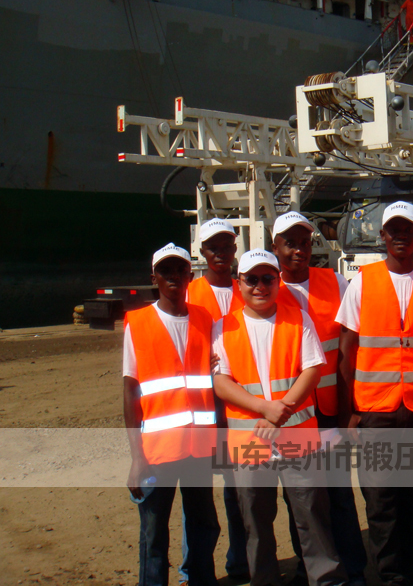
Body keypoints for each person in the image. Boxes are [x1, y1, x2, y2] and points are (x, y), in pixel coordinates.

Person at [212, 249, 347, 586]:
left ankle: (326, 580)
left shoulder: (298, 318)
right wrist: (264, 409)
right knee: (256, 525)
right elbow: (221, 382)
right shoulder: (222, 328)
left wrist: (279, 411)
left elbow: (313, 370)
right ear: (239, 283)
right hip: (249, 444)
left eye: (268, 278)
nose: (260, 286)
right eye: (252, 279)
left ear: (277, 280)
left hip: (297, 441)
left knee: (312, 519)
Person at [337, 201, 413, 586]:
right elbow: (347, 351)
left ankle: (408, 566)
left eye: (407, 230)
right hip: (376, 412)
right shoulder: (363, 281)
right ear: (382, 236)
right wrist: (351, 410)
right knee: (381, 499)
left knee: (412, 496)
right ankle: (392, 575)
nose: (400, 236)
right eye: (393, 230)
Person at [272, 211, 368, 586]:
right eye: (290, 243)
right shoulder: (265, 287)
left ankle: (353, 568)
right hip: (293, 417)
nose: (299, 250)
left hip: (330, 412)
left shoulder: (335, 282)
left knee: (339, 493)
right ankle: (309, 566)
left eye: (305, 242)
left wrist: (351, 411)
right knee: (301, 499)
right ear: (275, 246)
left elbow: (349, 351)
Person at [123, 242, 220, 586]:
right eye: (166, 271)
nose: (173, 276)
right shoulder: (138, 323)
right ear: (155, 277)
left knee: (203, 526)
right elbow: (130, 395)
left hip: (197, 449)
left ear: (189, 275)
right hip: (157, 451)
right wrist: (137, 459)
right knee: (153, 534)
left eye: (179, 270)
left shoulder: (205, 320)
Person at [183, 218, 249, 584]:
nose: (221, 253)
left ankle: (240, 563)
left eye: (227, 246)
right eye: (214, 247)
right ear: (202, 252)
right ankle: (194, 571)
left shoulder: (249, 285)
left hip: (239, 404)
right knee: (198, 496)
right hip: (201, 408)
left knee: (239, 492)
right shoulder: (190, 292)